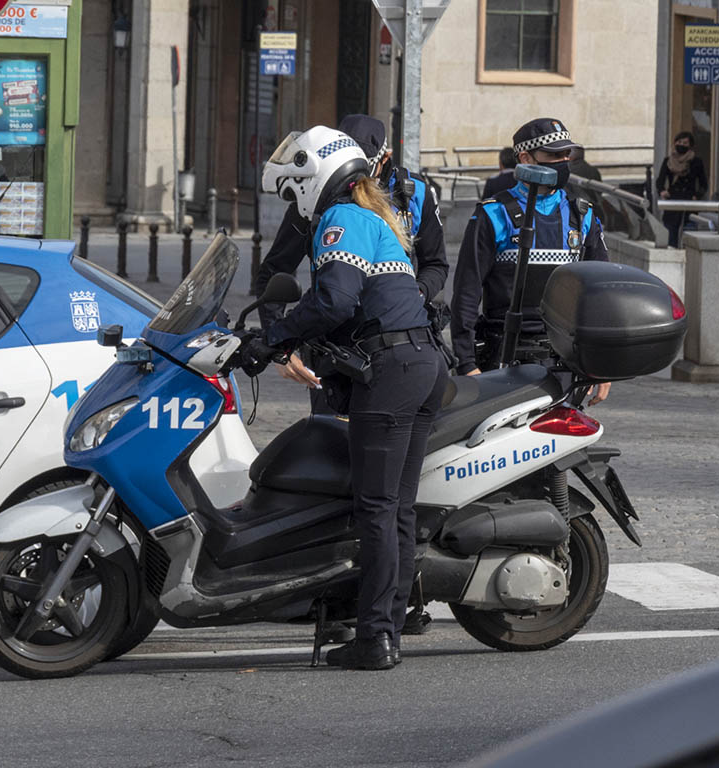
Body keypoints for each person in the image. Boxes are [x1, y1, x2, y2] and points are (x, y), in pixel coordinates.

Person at [249, 126, 447, 670]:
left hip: (391, 371)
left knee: (378, 509)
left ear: (315, 179)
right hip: (419, 364)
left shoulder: (343, 220)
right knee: (396, 508)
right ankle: (392, 623)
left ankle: (375, 638)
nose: (293, 202)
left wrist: (272, 337)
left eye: (294, 190)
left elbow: (335, 301)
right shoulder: (373, 218)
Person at [253, 114, 449, 402]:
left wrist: (416, 293)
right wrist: (278, 345)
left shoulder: (415, 193)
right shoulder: (318, 193)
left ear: (385, 159)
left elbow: (436, 264)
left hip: (394, 339)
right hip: (334, 345)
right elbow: (275, 269)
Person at [450, 117, 611, 405]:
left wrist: (601, 365)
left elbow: (601, 293)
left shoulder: (582, 215)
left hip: (565, 363)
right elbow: (466, 291)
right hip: (503, 361)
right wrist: (466, 362)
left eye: (566, 155)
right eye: (553, 155)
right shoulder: (493, 214)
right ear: (525, 157)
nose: (563, 162)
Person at [656, 131, 707, 248]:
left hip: (689, 202)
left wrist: (697, 196)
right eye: (679, 142)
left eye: (685, 143)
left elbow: (704, 184)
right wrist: (662, 191)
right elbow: (660, 181)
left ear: (690, 146)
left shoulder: (696, 162)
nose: (681, 145)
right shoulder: (668, 161)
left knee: (689, 233)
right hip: (673, 201)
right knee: (671, 232)